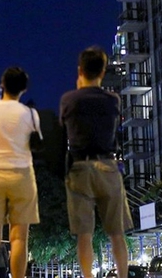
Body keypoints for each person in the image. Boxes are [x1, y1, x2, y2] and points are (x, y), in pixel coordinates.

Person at [59, 46, 132, 278]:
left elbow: (63, 132)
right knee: (117, 233)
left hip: (80, 167)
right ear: (103, 71)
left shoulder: (69, 100)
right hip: (108, 166)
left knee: (84, 233)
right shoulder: (113, 100)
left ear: (80, 70)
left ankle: (87, 276)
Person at [0, 67, 40, 278]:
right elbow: (36, 143)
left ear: (1, 84)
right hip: (21, 174)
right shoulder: (30, 114)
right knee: (19, 238)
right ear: (24, 89)